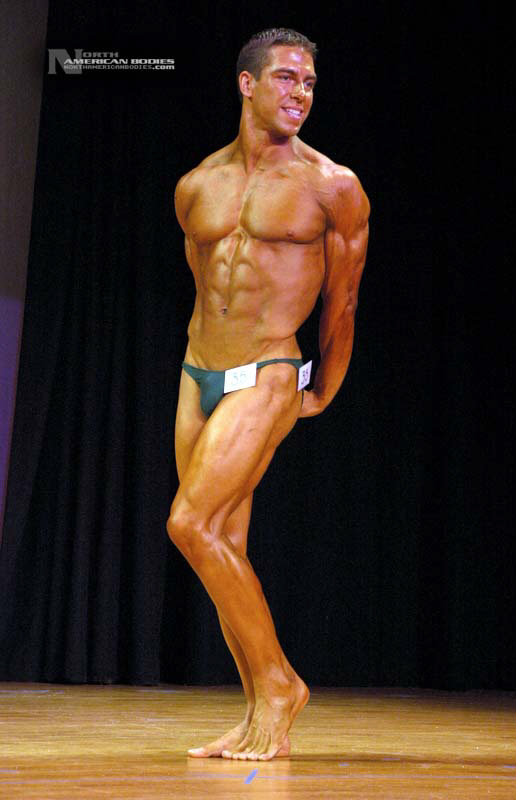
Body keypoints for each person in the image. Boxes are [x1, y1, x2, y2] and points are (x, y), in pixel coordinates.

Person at [167, 28, 370, 761]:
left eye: (309, 83)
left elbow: (342, 299)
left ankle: (281, 684)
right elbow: (207, 286)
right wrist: (200, 368)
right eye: (287, 78)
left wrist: (323, 386)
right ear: (247, 84)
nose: (300, 93)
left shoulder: (332, 185)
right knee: (223, 548)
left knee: (190, 524)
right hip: (198, 373)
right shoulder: (196, 185)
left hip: (269, 369)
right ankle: (261, 714)